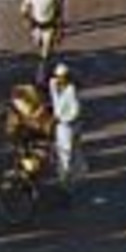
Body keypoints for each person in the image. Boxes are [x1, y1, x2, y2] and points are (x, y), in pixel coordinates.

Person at [48, 63, 85, 191]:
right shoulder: (53, 84)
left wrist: (61, 119)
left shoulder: (72, 91)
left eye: (62, 77)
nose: (59, 79)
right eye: (58, 77)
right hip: (59, 126)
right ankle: (63, 177)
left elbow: (75, 112)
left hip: (68, 127)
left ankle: (67, 181)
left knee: (67, 154)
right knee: (60, 151)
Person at [20, 0, 61, 84]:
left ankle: (41, 77)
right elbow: (24, 8)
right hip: (36, 27)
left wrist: (58, 30)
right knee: (39, 49)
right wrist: (27, 20)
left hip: (49, 27)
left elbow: (58, 13)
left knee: (45, 53)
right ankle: (43, 70)